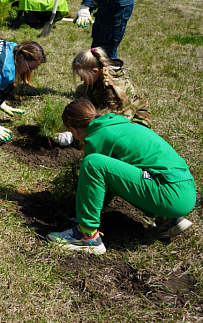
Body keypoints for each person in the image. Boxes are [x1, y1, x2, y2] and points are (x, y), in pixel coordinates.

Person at [47, 99, 196, 254]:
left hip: (168, 193)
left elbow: (94, 178)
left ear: (74, 130)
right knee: (117, 171)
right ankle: (167, 220)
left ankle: (86, 236)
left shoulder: (98, 135)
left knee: (92, 163)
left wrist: (81, 214)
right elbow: (111, 180)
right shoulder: (120, 125)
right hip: (184, 188)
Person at [56, 47, 151, 146]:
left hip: (134, 126)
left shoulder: (115, 90)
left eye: (83, 76)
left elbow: (117, 122)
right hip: (110, 120)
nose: (81, 79)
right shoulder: (91, 85)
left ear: (95, 71)